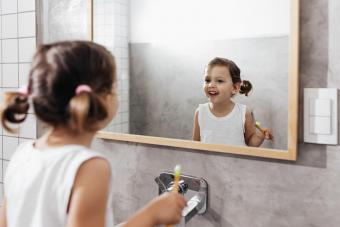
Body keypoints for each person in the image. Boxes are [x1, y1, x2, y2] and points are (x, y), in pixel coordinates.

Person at [0, 41, 186, 227]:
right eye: (115, 86)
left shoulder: (23, 154)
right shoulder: (89, 167)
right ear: (102, 98)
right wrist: (151, 215)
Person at [192, 57, 273, 147]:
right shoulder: (200, 112)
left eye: (219, 81)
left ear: (235, 88)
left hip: (236, 161)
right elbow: (196, 147)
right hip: (208, 161)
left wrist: (258, 136)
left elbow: (250, 144)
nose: (211, 85)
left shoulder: (243, 113)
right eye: (207, 80)